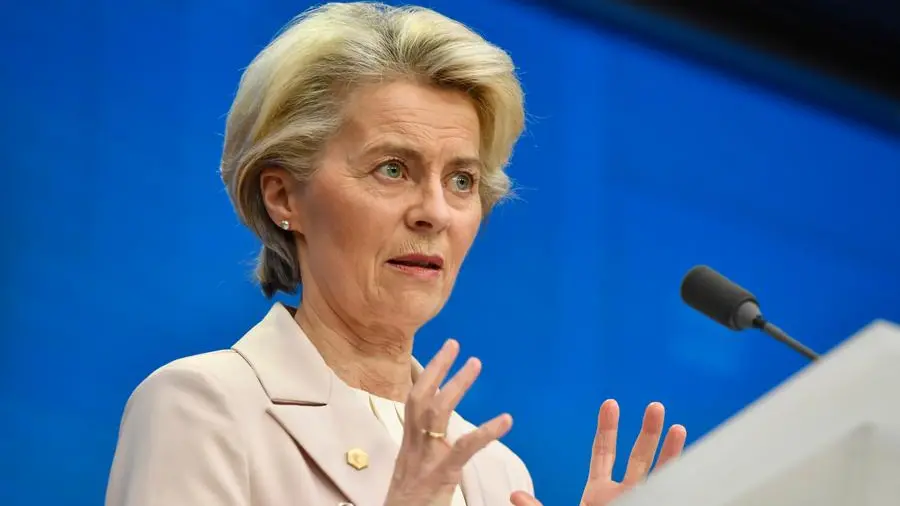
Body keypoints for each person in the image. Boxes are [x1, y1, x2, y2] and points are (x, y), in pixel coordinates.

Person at [105, 3, 687, 506]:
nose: (434, 211)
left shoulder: (494, 472)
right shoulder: (203, 406)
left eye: (461, 180)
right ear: (284, 196)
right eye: (392, 169)